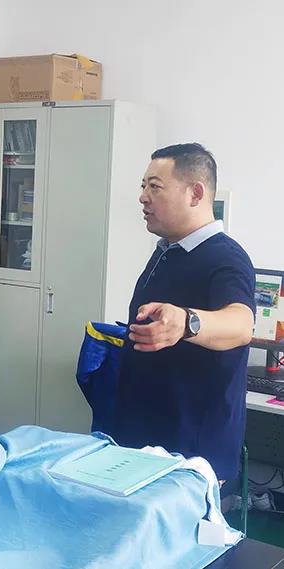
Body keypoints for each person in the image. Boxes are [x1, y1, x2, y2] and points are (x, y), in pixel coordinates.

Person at [112, 144, 255, 482]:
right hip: (145, 440)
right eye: (143, 186)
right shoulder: (167, 251)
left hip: (189, 454)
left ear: (196, 193)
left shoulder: (226, 258)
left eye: (155, 187)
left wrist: (187, 322)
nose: (143, 197)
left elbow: (241, 323)